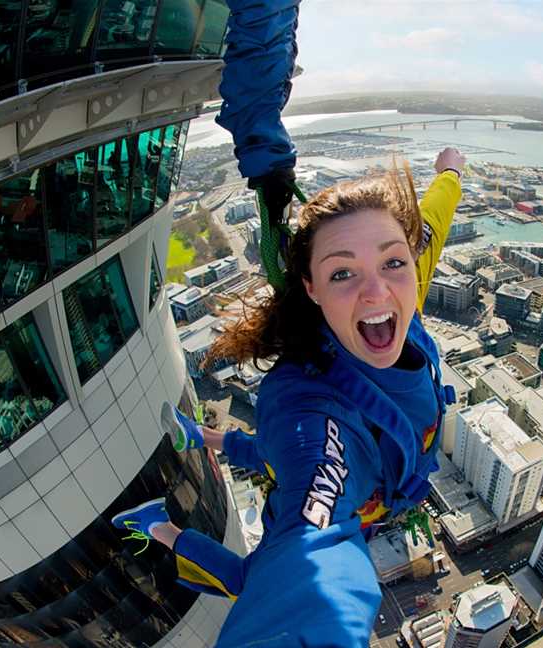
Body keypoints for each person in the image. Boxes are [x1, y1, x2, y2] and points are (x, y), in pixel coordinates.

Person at [112, 147, 465, 646]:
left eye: (393, 261)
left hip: (368, 479)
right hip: (339, 494)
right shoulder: (312, 410)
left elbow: (433, 218)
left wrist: (449, 170)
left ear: (409, 258)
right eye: (342, 273)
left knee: (268, 471)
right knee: (249, 578)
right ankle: (158, 527)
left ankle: (198, 437)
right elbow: (311, 548)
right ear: (312, 287)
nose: (377, 292)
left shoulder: (404, 285)